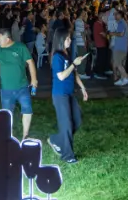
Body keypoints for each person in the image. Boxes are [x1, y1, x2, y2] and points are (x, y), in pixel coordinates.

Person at [47, 26, 89, 163]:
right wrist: (74, 64)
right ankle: (68, 155)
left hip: (69, 94)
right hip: (60, 95)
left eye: (70, 38)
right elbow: (61, 76)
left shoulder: (66, 54)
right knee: (66, 125)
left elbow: (74, 73)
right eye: (67, 39)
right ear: (61, 40)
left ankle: (56, 140)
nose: (70, 40)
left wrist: (82, 88)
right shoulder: (57, 56)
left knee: (77, 119)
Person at [0, 27, 39, 139]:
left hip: (22, 86)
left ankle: (25, 135)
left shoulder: (20, 47)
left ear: (7, 39)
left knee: (27, 110)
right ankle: (8, 136)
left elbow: (30, 62)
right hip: (6, 88)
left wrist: (34, 79)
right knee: (7, 113)